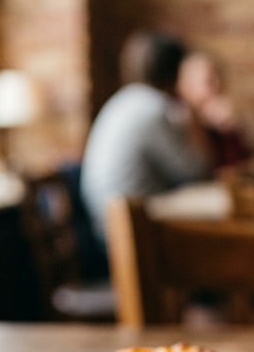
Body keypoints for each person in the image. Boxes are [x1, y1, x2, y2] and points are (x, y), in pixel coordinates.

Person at [80, 32, 212, 273]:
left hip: (105, 224)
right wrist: (194, 113)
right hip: (126, 235)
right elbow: (195, 170)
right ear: (175, 72)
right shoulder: (154, 108)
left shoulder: (125, 100)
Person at [176, 50, 252, 171]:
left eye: (219, 78)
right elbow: (199, 171)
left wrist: (230, 130)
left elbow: (243, 163)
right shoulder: (179, 121)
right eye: (209, 81)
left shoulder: (221, 118)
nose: (218, 85)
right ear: (186, 86)